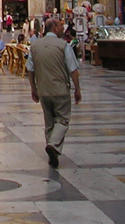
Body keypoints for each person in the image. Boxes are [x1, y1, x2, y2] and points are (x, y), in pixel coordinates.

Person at [27, 18, 81, 168]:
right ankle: (53, 145)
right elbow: (73, 70)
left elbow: (30, 69)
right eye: (61, 25)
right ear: (55, 28)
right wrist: (77, 89)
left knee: (49, 122)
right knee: (63, 119)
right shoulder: (63, 45)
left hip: (43, 90)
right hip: (60, 89)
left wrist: (33, 88)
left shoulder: (35, 45)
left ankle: (53, 155)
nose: (63, 27)